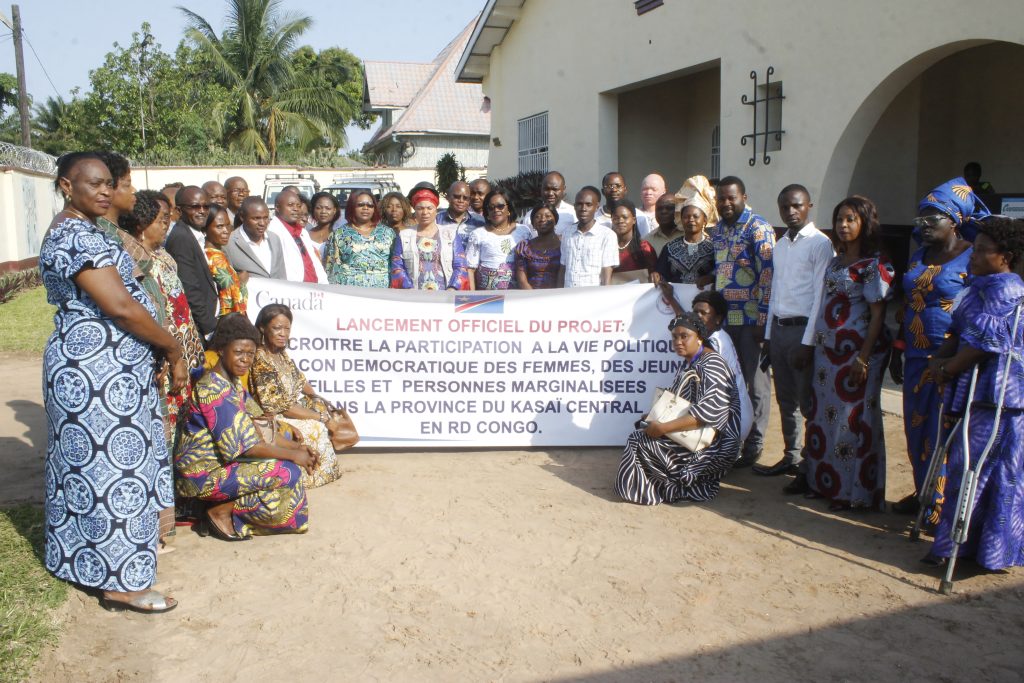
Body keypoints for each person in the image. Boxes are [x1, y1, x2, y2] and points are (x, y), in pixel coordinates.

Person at [40, 152, 187, 613]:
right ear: (67, 185)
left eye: (108, 183)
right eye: (93, 184)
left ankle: (84, 562)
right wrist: (172, 347)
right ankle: (121, 583)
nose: (104, 191)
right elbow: (120, 307)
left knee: (91, 471)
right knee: (113, 474)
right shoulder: (75, 235)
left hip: (110, 371)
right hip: (96, 373)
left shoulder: (85, 229)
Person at [922, 217, 1024, 570]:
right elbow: (958, 332)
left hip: (996, 396)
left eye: (982, 251)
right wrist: (941, 358)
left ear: (1005, 257)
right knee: (970, 469)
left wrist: (947, 368)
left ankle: (957, 550)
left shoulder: (1006, 289)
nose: (974, 256)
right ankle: (964, 547)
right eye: (974, 249)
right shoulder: (979, 286)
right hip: (971, 389)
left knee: (977, 471)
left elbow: (985, 344)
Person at [889, 178, 984, 515]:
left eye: (933, 219)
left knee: (944, 431)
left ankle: (941, 507)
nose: (925, 226)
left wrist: (961, 357)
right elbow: (907, 305)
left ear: (954, 220)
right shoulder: (918, 257)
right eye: (921, 220)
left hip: (953, 360)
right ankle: (923, 493)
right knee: (916, 430)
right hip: (916, 356)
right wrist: (898, 348)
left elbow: (980, 312)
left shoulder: (975, 258)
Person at [118, 190, 207, 547]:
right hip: (166, 363)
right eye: (161, 219)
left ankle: (183, 501)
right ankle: (161, 518)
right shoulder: (138, 261)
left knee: (184, 432)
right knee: (165, 436)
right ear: (141, 223)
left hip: (186, 355)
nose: (166, 224)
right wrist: (170, 355)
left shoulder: (163, 255)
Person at [175, 314, 314, 541]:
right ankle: (220, 512)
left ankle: (227, 507)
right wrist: (293, 455)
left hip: (224, 466)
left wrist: (298, 448)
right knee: (287, 472)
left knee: (289, 452)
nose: (245, 360)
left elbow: (262, 426)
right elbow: (246, 448)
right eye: (239, 352)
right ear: (221, 349)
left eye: (250, 354)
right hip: (202, 477)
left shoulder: (233, 384)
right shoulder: (213, 390)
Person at [803, 196, 894, 511]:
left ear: (864, 223)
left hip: (856, 355)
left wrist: (863, 358)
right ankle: (822, 483)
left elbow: (878, 316)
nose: (843, 225)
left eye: (851, 219)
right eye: (840, 219)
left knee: (851, 421)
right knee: (822, 417)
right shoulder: (835, 260)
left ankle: (851, 493)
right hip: (828, 354)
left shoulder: (874, 265)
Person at [615, 311, 742, 505]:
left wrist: (664, 428)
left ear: (699, 337)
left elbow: (707, 415)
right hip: (696, 432)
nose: (678, 341)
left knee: (639, 440)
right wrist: (655, 417)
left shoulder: (711, 364)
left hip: (713, 445)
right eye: (675, 337)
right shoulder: (691, 362)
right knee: (643, 430)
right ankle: (666, 486)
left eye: (684, 336)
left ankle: (679, 487)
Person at [754, 185, 835, 484]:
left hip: (803, 331)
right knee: (785, 400)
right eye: (785, 207)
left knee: (807, 403)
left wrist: (808, 342)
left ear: (809, 206)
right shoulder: (781, 245)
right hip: (780, 329)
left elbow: (819, 297)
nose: (791, 211)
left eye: (796, 206)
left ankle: (810, 465)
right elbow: (775, 291)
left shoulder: (819, 244)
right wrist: (768, 336)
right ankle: (792, 456)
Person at [711, 175, 775, 467]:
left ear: (743, 198)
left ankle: (755, 443)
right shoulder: (718, 231)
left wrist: (764, 319)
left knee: (755, 384)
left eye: (731, 198)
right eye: (721, 198)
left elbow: (768, 277)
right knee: (729, 382)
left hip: (752, 321)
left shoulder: (758, 228)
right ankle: (732, 439)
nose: (725, 203)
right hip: (726, 322)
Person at [248, 304, 345, 488]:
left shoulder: (281, 354)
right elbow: (283, 407)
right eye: (277, 328)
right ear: (262, 328)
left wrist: (319, 401)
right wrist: (323, 418)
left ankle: (322, 472)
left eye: (287, 328)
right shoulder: (261, 360)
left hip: (290, 408)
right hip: (275, 416)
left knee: (322, 409)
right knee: (315, 426)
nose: (283, 333)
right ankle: (308, 477)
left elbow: (301, 382)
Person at [661, 284, 753, 448]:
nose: (697, 316)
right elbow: (687, 325)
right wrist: (671, 299)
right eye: (695, 312)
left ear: (717, 318)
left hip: (732, 423)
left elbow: (686, 326)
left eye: (703, 313)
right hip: (735, 417)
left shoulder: (715, 342)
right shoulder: (715, 335)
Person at [390, 183, 469, 290]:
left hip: (445, 294)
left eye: (429, 208)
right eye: (420, 208)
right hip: (414, 295)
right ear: (415, 211)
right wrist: (408, 289)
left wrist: (453, 288)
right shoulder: (404, 236)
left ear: (436, 209)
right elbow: (397, 266)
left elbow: (460, 265)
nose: (425, 212)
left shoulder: (450, 234)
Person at [165, 186, 219, 339]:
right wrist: (210, 328)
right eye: (195, 206)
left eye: (206, 206)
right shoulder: (181, 237)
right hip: (200, 327)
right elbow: (189, 288)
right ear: (179, 211)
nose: (202, 211)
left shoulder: (195, 234)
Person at [323, 190, 395, 287]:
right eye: (360, 205)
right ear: (352, 207)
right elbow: (331, 269)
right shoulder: (339, 234)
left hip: (382, 294)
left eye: (370, 205)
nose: (365, 208)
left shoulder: (388, 233)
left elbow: (396, 265)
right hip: (350, 293)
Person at [656, 175, 717, 287]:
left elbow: (721, 272)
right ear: (680, 219)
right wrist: (656, 276)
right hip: (676, 302)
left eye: (695, 216)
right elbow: (661, 276)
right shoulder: (670, 248)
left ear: (705, 220)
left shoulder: (714, 247)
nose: (691, 220)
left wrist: (711, 277)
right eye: (686, 216)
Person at [466, 189, 533, 290]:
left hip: (517, 296)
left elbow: (531, 263)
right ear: (487, 212)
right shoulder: (478, 234)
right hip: (486, 298)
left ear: (509, 209)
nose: (496, 210)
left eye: (500, 206)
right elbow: (470, 269)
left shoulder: (523, 231)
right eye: (491, 207)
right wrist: (472, 295)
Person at [558, 186, 619, 288]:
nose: (583, 209)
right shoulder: (567, 233)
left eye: (588, 205)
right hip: (567, 296)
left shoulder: (607, 235)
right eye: (579, 204)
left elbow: (606, 274)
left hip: (592, 298)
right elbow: (563, 268)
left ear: (597, 207)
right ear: (574, 206)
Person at [267, 189, 328, 284]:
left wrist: (324, 284)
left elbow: (314, 264)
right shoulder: (271, 232)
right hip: (292, 292)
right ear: (277, 208)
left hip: (315, 290)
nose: (296, 209)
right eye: (290, 205)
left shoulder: (303, 232)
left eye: (298, 206)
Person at [225, 196, 287, 280]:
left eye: (265, 218)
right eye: (256, 218)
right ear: (242, 217)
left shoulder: (274, 239)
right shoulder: (228, 243)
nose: (262, 223)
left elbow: (282, 275)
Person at [204, 205, 248, 317]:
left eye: (228, 225)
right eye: (219, 226)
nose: (226, 231)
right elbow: (231, 295)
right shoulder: (213, 259)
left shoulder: (219, 253)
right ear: (205, 228)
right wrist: (241, 282)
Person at [609, 198, 657, 283]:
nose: (620, 221)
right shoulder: (606, 247)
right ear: (612, 220)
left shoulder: (644, 247)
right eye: (616, 218)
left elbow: (654, 274)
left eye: (625, 217)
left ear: (634, 220)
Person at [515, 205, 562, 290]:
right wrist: (534, 299)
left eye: (548, 216)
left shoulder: (564, 245)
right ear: (532, 223)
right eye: (537, 217)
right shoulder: (524, 247)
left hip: (559, 297)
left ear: (555, 220)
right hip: (531, 298)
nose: (542, 219)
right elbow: (522, 280)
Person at [596, 172, 650, 236]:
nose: (614, 190)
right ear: (603, 191)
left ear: (625, 190)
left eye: (618, 186)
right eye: (610, 186)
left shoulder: (640, 217)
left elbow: (645, 242)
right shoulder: (594, 216)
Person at [524, 171, 577, 235]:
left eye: (555, 189)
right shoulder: (530, 216)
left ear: (563, 189)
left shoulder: (573, 213)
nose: (550, 193)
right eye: (547, 189)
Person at [437, 180, 485, 247]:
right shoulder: (436, 220)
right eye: (457, 197)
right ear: (448, 197)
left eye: (465, 198)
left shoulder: (480, 222)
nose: (461, 201)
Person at [642, 192, 685, 256]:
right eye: (659, 209)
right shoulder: (647, 241)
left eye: (669, 208)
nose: (663, 211)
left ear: (678, 211)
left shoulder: (688, 235)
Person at [308, 191, 341, 256]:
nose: (323, 211)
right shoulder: (305, 234)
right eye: (319, 208)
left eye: (328, 208)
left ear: (334, 210)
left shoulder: (340, 234)